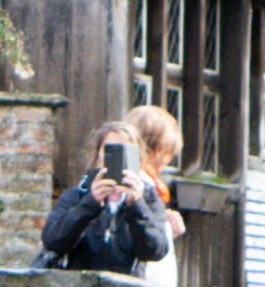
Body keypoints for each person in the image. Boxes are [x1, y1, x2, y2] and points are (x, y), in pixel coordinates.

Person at [41, 107, 181, 276]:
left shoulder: (149, 199)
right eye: (110, 151)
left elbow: (154, 251)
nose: (117, 158)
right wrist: (90, 205)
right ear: (98, 155)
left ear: (137, 158)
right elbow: (52, 241)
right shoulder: (78, 195)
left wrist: (136, 206)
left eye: (125, 151)